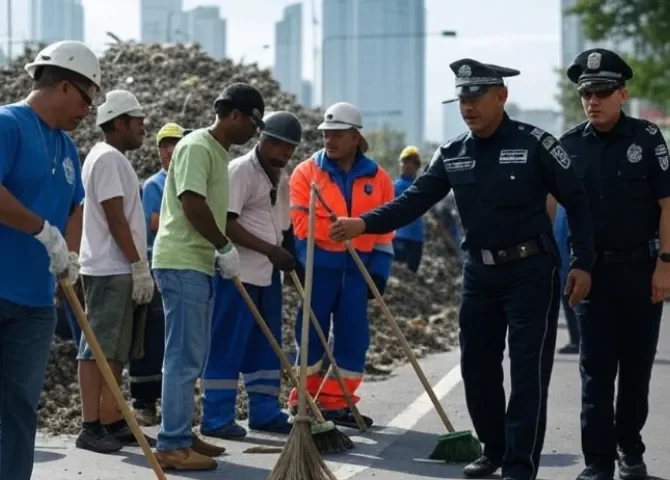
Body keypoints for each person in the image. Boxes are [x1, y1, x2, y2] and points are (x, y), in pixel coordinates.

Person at [329, 59, 595, 480]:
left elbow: (579, 203)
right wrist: (364, 223)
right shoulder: (453, 153)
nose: (467, 107)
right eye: (462, 100)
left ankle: (519, 464)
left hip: (531, 270)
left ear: (501, 97)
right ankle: (494, 447)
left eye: (475, 98)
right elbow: (414, 201)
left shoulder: (536, 144)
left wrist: (582, 262)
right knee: (477, 366)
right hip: (480, 274)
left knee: (528, 370)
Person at [560, 48, 670, 480]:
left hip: (642, 273)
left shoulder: (646, 139)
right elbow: (549, 208)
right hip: (593, 275)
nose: (593, 101)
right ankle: (598, 462)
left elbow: (667, 205)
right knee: (596, 370)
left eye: (603, 92)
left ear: (622, 93)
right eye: (587, 93)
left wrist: (665, 265)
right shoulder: (568, 146)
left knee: (637, 369)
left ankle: (630, 446)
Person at [151, 82, 264, 471]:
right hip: (182, 260)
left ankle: (181, 432)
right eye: (253, 123)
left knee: (192, 355)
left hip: (196, 263)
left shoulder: (214, 151)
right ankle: (171, 445)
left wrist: (216, 253)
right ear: (235, 115)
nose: (254, 133)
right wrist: (223, 246)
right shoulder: (199, 146)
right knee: (182, 357)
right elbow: (192, 204)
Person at [0, 40, 100, 480]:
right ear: (64, 86)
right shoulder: (8, 125)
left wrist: (69, 255)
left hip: (37, 303)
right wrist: (42, 230)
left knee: (20, 409)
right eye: (86, 98)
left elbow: (75, 207)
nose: (87, 111)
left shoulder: (68, 149)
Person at [288, 101, 395, 428]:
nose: (328, 140)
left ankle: (338, 403)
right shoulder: (306, 172)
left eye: (336, 134)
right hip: (318, 269)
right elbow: (299, 224)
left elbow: (385, 230)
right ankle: (304, 401)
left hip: (359, 271)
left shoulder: (378, 179)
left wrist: (379, 272)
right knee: (309, 336)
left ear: (354, 137)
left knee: (353, 338)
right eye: (325, 134)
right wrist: (339, 230)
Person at [200, 111, 301, 439]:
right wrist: (270, 250)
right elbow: (226, 223)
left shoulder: (281, 178)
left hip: (268, 276)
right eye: (277, 146)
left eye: (289, 150)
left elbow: (284, 227)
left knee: (266, 345)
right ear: (263, 140)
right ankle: (216, 416)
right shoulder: (240, 171)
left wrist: (289, 259)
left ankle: (265, 411)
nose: (282, 155)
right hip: (237, 274)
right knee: (228, 343)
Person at [76, 90, 154, 453]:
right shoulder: (107, 158)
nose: (143, 128)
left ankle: (110, 418)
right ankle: (91, 425)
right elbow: (113, 214)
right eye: (137, 121)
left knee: (115, 349)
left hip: (117, 266)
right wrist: (137, 263)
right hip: (110, 267)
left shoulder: (112, 158)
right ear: (119, 122)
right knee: (97, 351)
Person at [130, 122, 184, 426]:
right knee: (149, 337)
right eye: (164, 144)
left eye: (175, 143)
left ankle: (173, 404)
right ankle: (144, 402)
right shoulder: (155, 185)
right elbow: (152, 221)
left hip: (182, 266)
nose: (169, 150)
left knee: (174, 339)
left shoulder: (189, 182)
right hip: (154, 266)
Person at [553, 203, 580, 354]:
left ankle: (578, 339)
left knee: (574, 301)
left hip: (570, 264)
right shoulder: (561, 207)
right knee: (569, 301)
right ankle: (576, 339)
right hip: (563, 263)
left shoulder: (568, 207)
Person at [392, 145, 425, 273]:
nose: (409, 166)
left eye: (412, 163)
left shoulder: (422, 186)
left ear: (417, 166)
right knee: (397, 273)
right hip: (398, 237)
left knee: (412, 274)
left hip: (416, 238)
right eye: (406, 162)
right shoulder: (394, 187)